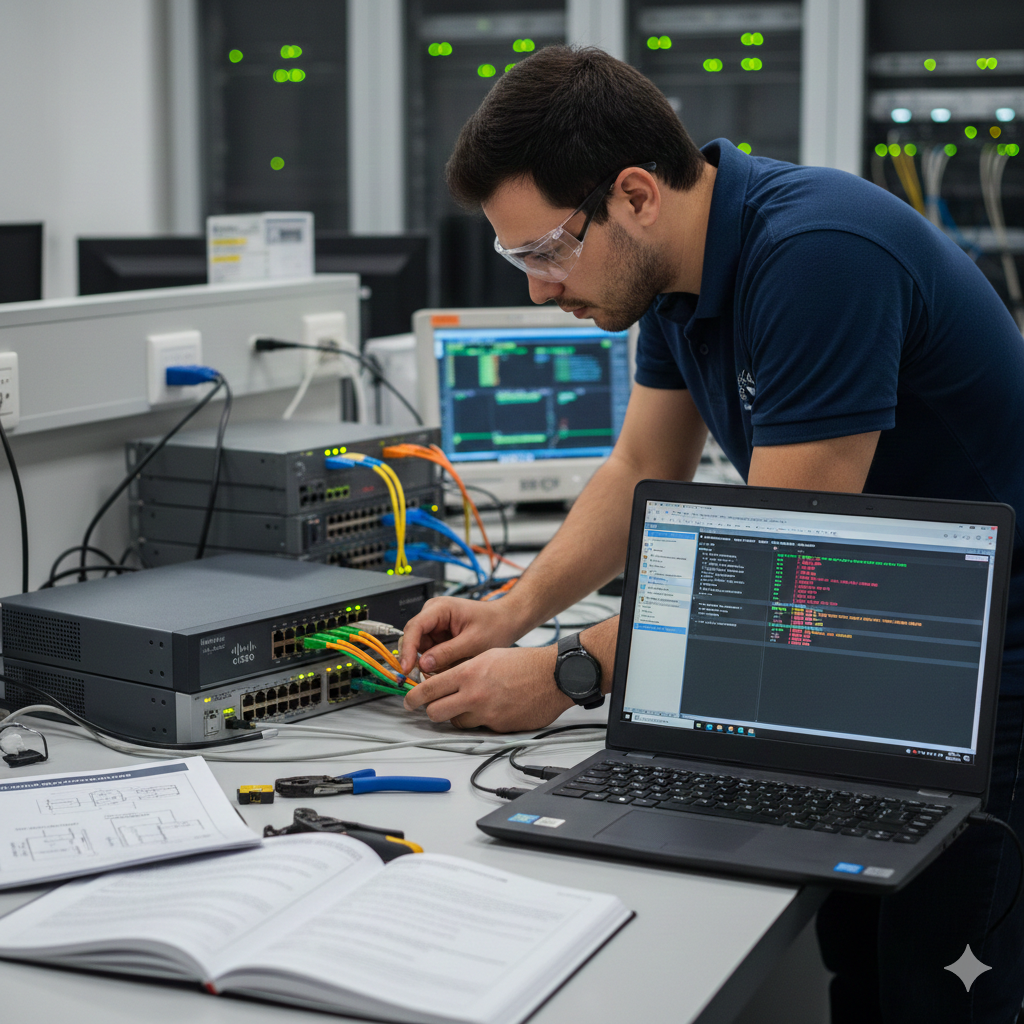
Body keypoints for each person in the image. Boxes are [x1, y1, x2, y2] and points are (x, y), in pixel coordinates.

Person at [399, 45, 1024, 1023]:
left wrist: (565, 671)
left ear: (636, 195)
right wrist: (508, 611)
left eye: (546, 251)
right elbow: (640, 466)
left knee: (935, 1000)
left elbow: (771, 561)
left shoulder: (820, 257)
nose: (538, 290)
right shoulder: (671, 278)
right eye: (518, 259)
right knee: (859, 973)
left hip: (984, 687)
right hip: (872, 662)